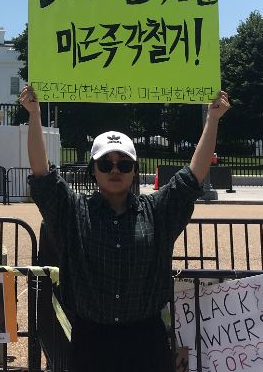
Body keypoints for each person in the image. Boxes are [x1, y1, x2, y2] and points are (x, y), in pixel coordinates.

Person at [21, 86, 230, 372]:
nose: (115, 170)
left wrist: (213, 119)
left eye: (124, 164)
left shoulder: (156, 211)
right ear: (93, 170)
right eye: (106, 164)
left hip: (146, 341)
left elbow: (192, 177)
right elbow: (42, 175)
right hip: (91, 341)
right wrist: (34, 115)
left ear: (134, 170)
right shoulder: (73, 212)